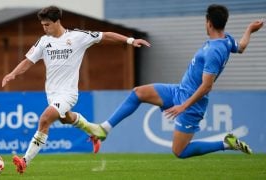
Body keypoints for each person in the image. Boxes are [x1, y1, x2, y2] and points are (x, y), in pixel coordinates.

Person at [87, 4, 264, 158]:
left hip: (192, 103)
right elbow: (241, 47)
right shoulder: (227, 40)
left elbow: (207, 86)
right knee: (138, 93)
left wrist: (183, 106)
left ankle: (226, 143)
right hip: (179, 91)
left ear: (208, 22)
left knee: (180, 151)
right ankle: (104, 129)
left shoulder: (214, 51)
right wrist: (249, 29)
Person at [1, 5, 150, 174]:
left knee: (44, 120)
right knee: (66, 119)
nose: (44, 28)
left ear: (57, 22)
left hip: (68, 94)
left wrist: (130, 41)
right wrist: (12, 74)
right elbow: (28, 61)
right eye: (42, 25)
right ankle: (94, 131)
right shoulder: (44, 41)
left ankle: (24, 161)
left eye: (47, 24)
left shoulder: (78, 37)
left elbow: (105, 35)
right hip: (52, 94)